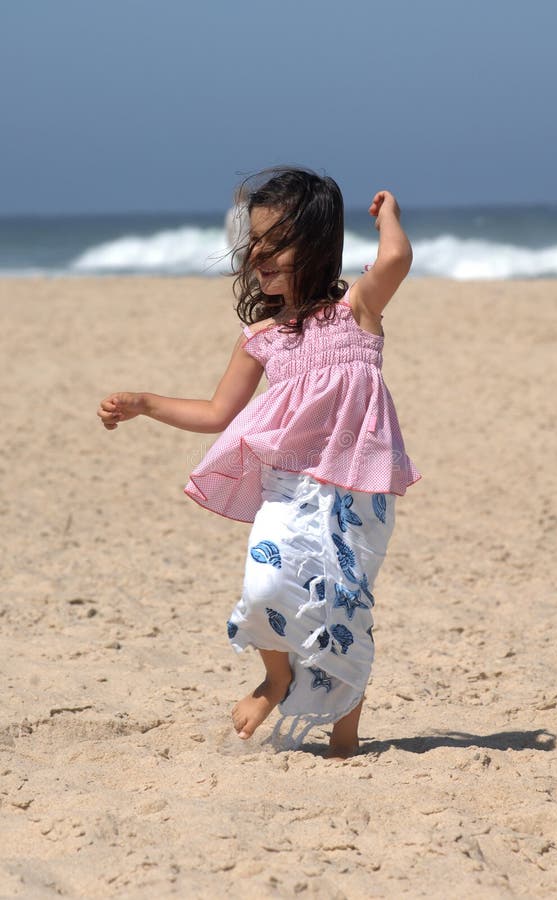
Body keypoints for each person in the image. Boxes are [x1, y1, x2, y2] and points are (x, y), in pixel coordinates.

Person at [97, 167, 420, 758]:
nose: (260, 257)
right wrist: (145, 403)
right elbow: (219, 411)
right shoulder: (261, 335)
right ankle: (278, 677)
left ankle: (345, 732)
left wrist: (390, 213)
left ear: (318, 244)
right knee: (266, 582)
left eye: (277, 244)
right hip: (289, 485)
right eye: (255, 245)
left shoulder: (357, 308)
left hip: (359, 487)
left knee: (344, 602)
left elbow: (396, 257)